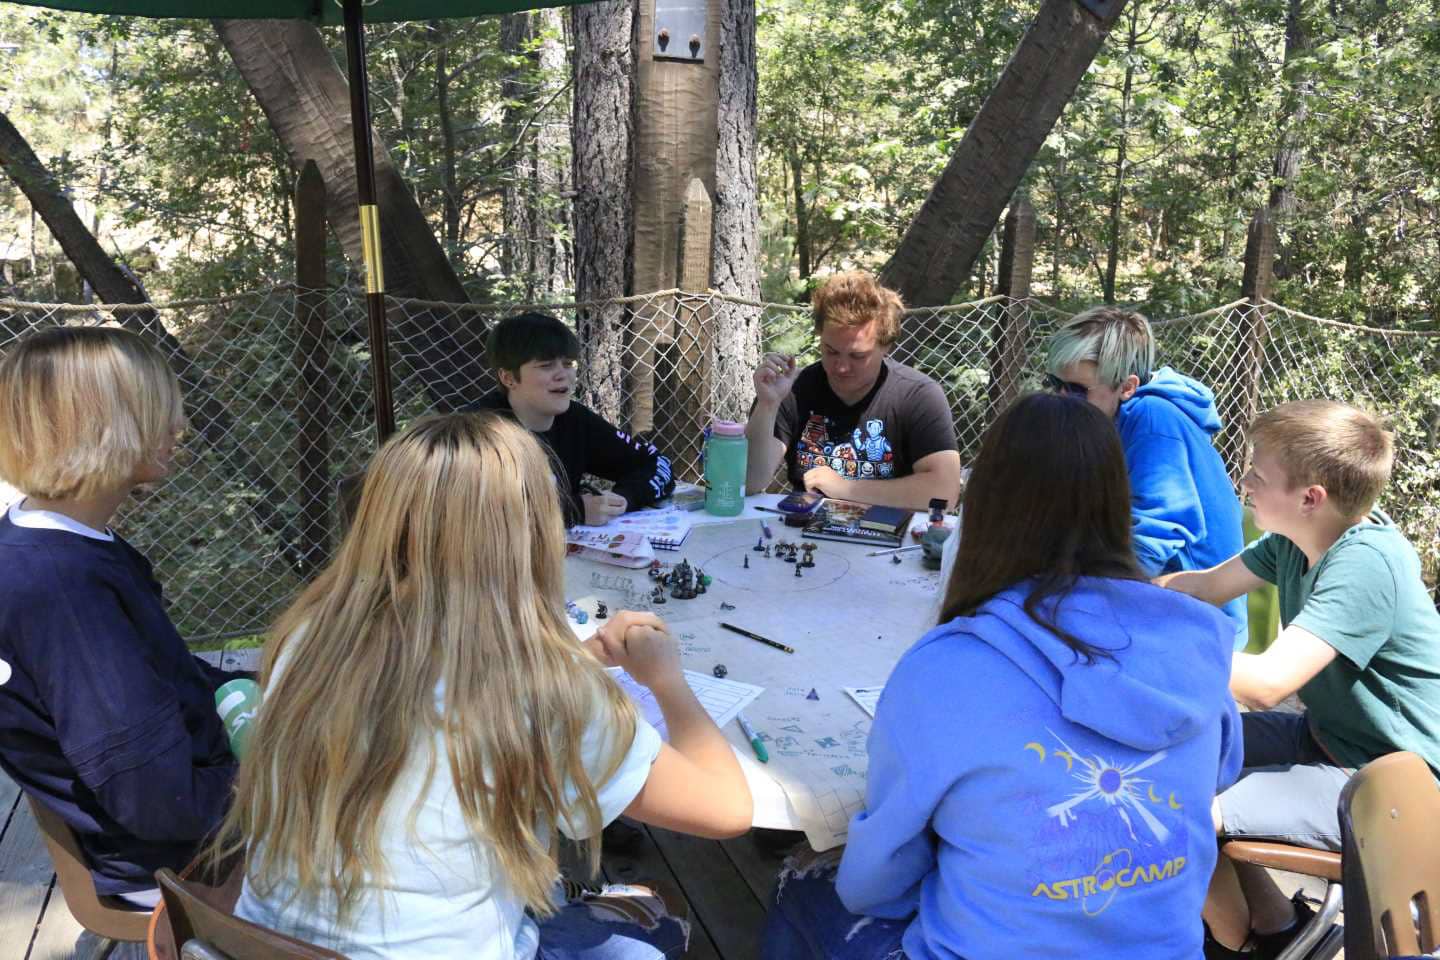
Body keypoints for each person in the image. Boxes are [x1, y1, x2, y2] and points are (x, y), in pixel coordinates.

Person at [223, 413, 752, 959]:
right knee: (650, 937)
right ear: (524, 538)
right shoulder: (547, 691)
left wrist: (576, 659)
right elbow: (727, 809)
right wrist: (666, 682)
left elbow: (431, 680)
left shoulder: (308, 636)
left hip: (263, 946)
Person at [763, 392, 1242, 960]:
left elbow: (875, 886)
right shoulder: (1195, 640)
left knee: (803, 882)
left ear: (986, 504)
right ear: (1118, 500)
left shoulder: (949, 663)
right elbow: (1220, 771)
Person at [1157, 400, 1440, 959]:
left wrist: (1148, 650)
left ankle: (1237, 944)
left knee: (1165, 804)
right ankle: (1276, 926)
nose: (1245, 482)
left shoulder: (1365, 565)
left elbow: (1266, 685)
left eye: (1258, 476)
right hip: (1329, 741)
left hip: (1389, 785)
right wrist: (1104, 595)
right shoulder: (1295, 540)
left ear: (1310, 499)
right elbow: (1203, 587)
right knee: (1156, 754)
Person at [0, 326, 245, 908]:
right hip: (182, 863)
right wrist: (295, 775)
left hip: (197, 819)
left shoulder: (68, 546)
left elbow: (171, 682)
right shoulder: (61, 589)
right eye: (157, 411)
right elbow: (160, 801)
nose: (175, 429)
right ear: (100, 426)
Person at [1045, 306, 1248, 644]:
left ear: (1127, 387)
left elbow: (1149, 548)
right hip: (1154, 602)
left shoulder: (1154, 421)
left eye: (1078, 390)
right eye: (1056, 384)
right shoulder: (1107, 421)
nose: (1062, 398)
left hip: (1197, 625)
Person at [746, 271, 961, 510]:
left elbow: (945, 492)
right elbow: (748, 481)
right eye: (831, 351)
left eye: (858, 356)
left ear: (886, 346)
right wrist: (768, 405)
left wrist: (847, 489)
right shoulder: (792, 390)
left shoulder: (918, 396)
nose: (841, 367)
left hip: (889, 539)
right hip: (805, 532)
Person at [469, 311, 674, 527]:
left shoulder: (575, 420)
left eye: (568, 364)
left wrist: (624, 498)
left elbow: (658, 464)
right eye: (546, 365)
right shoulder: (474, 431)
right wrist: (575, 511)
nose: (562, 374)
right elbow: (475, 511)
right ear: (508, 377)